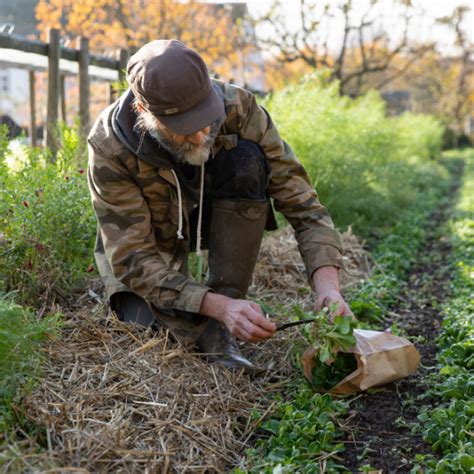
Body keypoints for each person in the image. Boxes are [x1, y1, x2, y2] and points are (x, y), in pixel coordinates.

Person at [87, 39, 352, 370]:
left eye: (205, 119)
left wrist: (329, 290)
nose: (200, 137)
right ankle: (218, 312)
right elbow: (134, 259)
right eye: (184, 129)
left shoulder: (239, 107)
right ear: (144, 112)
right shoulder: (110, 147)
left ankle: (223, 318)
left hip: (215, 217)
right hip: (151, 243)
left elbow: (304, 205)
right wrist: (214, 306)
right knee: (150, 332)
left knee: (246, 159)